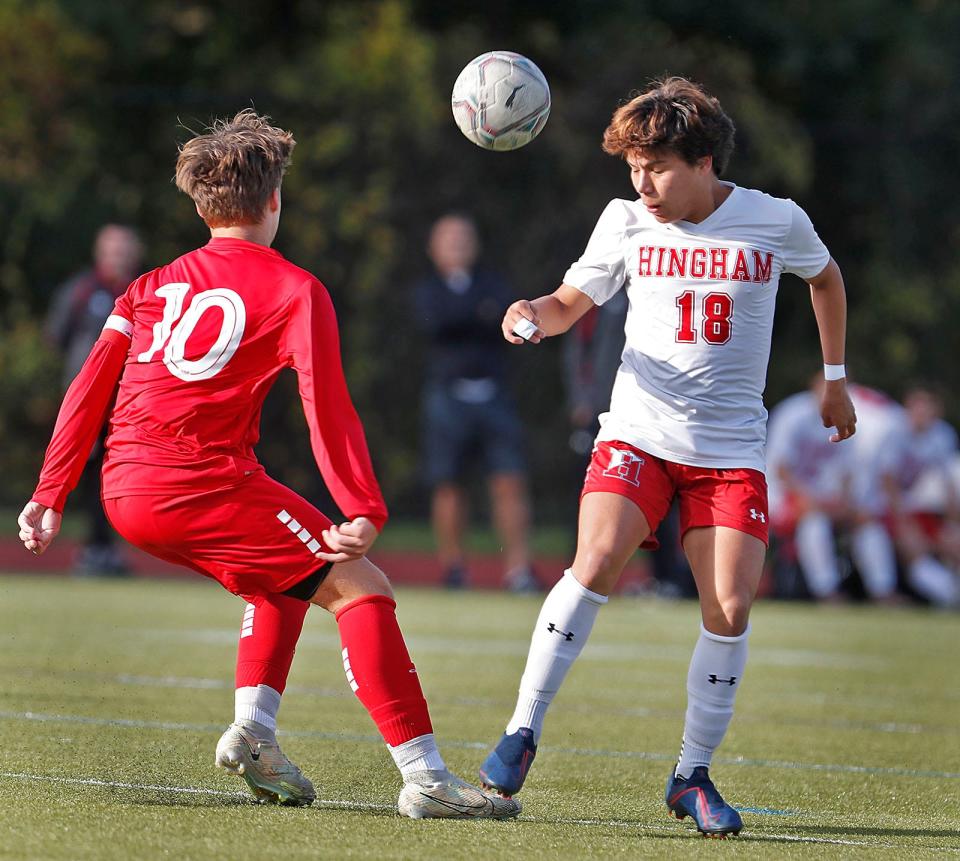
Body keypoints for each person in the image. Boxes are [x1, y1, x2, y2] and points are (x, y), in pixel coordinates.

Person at [17, 110, 518, 821]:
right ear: (275, 200)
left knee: (282, 576)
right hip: (201, 483)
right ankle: (427, 776)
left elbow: (89, 386)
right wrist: (363, 506)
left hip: (126, 487)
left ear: (199, 205)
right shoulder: (294, 288)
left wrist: (50, 490)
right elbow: (327, 406)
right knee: (358, 585)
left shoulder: (149, 285)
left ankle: (255, 734)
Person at [475, 77, 856, 837]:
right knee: (599, 556)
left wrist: (836, 379)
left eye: (658, 167)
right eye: (633, 168)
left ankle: (691, 774)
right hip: (639, 434)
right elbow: (565, 304)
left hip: (728, 450)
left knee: (731, 607)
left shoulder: (775, 220)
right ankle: (521, 730)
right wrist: (528, 316)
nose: (643, 184)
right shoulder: (624, 221)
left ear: (705, 159)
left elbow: (826, 278)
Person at [414, 214, 538, 591]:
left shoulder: (494, 284)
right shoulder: (427, 289)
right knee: (448, 483)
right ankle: (453, 568)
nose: (457, 245)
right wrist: (477, 315)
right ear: (433, 248)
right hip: (448, 396)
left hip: (494, 393)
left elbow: (503, 321)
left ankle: (518, 571)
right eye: (448, 239)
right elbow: (435, 323)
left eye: (463, 237)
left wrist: (470, 318)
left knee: (509, 480)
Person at [45, 224, 144, 575]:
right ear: (100, 252)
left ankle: (108, 548)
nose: (120, 256)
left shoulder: (143, 292)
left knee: (117, 471)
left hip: (128, 401)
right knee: (85, 471)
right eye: (114, 249)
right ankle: (91, 548)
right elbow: (57, 336)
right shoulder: (82, 291)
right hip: (88, 401)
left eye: (126, 250)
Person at [766, 373, 854, 601]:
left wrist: (844, 501)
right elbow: (780, 469)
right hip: (778, 494)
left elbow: (847, 471)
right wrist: (808, 499)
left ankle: (882, 591)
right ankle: (827, 591)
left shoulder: (845, 415)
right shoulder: (793, 413)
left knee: (866, 522)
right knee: (814, 520)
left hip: (819, 496)